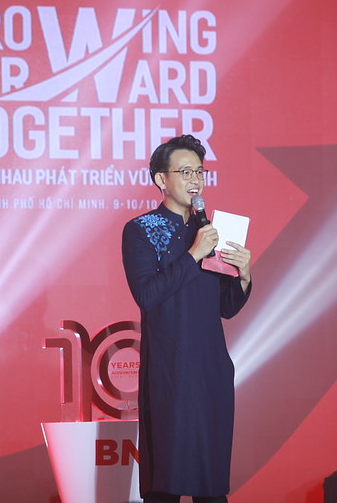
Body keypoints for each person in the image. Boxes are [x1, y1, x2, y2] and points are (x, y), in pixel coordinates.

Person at [121, 134, 252, 503]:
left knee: (211, 484)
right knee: (168, 478)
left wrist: (243, 276)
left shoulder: (211, 231)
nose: (195, 180)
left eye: (200, 171)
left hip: (211, 369)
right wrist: (194, 254)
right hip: (171, 370)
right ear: (161, 179)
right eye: (185, 172)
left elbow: (225, 307)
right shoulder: (140, 230)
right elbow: (147, 296)